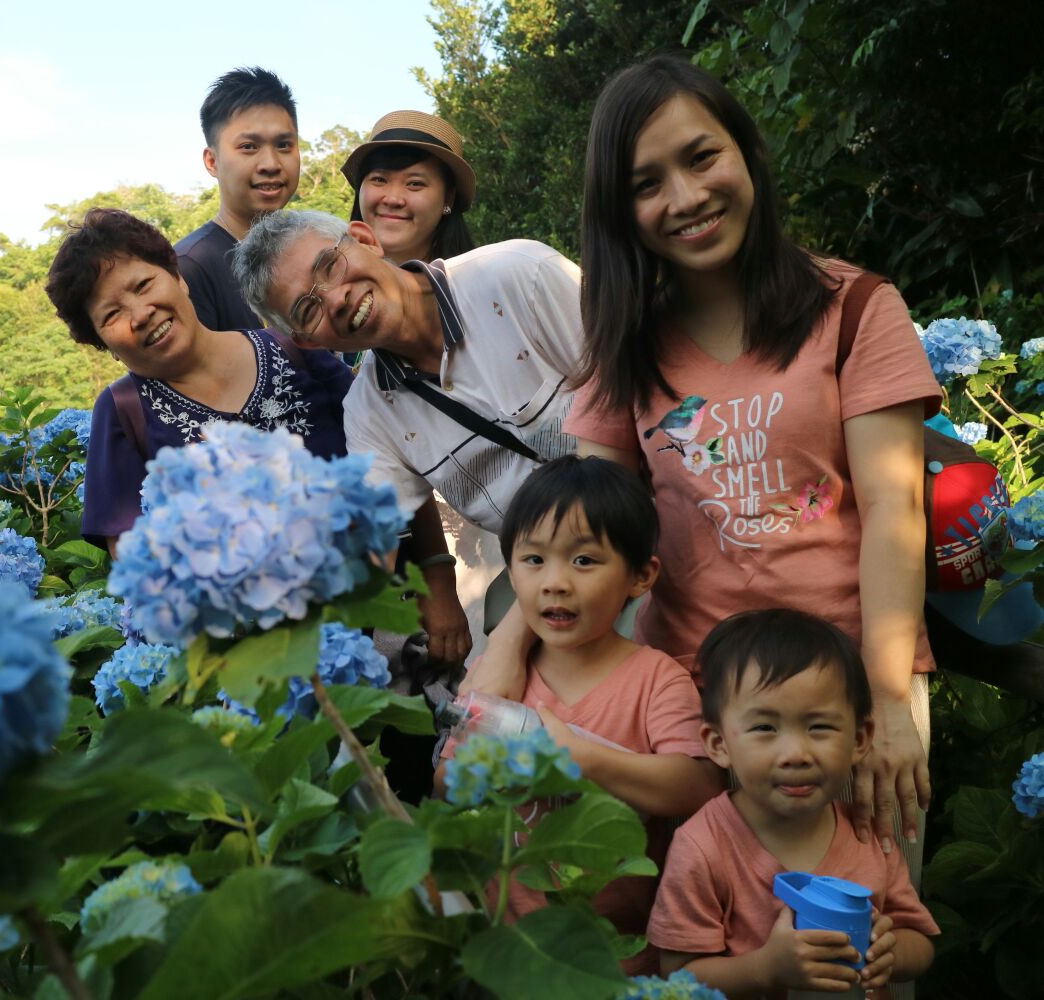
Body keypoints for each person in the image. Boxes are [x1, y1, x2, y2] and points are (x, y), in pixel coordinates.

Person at [476, 55, 940, 871]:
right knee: (703, 951)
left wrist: (890, 703)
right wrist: (505, 645)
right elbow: (583, 522)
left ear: (746, 151)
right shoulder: (628, 347)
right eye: (646, 183)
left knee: (860, 953)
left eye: (701, 157)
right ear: (620, 212)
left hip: (841, 697)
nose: (685, 199)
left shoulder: (856, 308)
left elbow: (895, 514)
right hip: (687, 711)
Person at [232, 211, 583, 662]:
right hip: (551, 576)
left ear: (364, 239)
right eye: (308, 309)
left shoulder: (518, 274)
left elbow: (637, 405)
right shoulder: (368, 414)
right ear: (307, 342)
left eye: (330, 265)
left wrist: (513, 639)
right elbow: (373, 550)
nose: (336, 300)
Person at [437, 456, 722, 973]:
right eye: (533, 560)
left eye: (584, 561)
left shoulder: (657, 680)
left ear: (641, 577)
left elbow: (700, 786)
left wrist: (582, 759)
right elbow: (444, 788)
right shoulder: (498, 674)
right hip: (506, 947)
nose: (555, 583)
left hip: (615, 956)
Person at [650, 609, 938, 997]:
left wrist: (894, 952)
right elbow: (677, 975)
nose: (796, 753)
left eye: (819, 727)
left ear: (859, 739)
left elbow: (919, 941)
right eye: (765, 728)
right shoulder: (703, 846)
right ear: (719, 744)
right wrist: (766, 969)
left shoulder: (865, 833)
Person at [45, 208, 352, 553]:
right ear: (104, 344)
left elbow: (384, 452)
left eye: (144, 285)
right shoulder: (122, 412)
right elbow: (135, 562)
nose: (142, 314)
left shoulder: (293, 348)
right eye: (112, 314)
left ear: (178, 278)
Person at [175, 67, 300, 332]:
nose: (271, 163)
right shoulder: (191, 268)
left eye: (284, 146)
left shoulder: (307, 249)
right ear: (212, 161)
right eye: (249, 147)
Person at [343, 109, 477, 267]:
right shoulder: (324, 281)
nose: (393, 199)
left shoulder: (477, 286)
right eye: (379, 179)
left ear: (448, 198)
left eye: (415, 183)